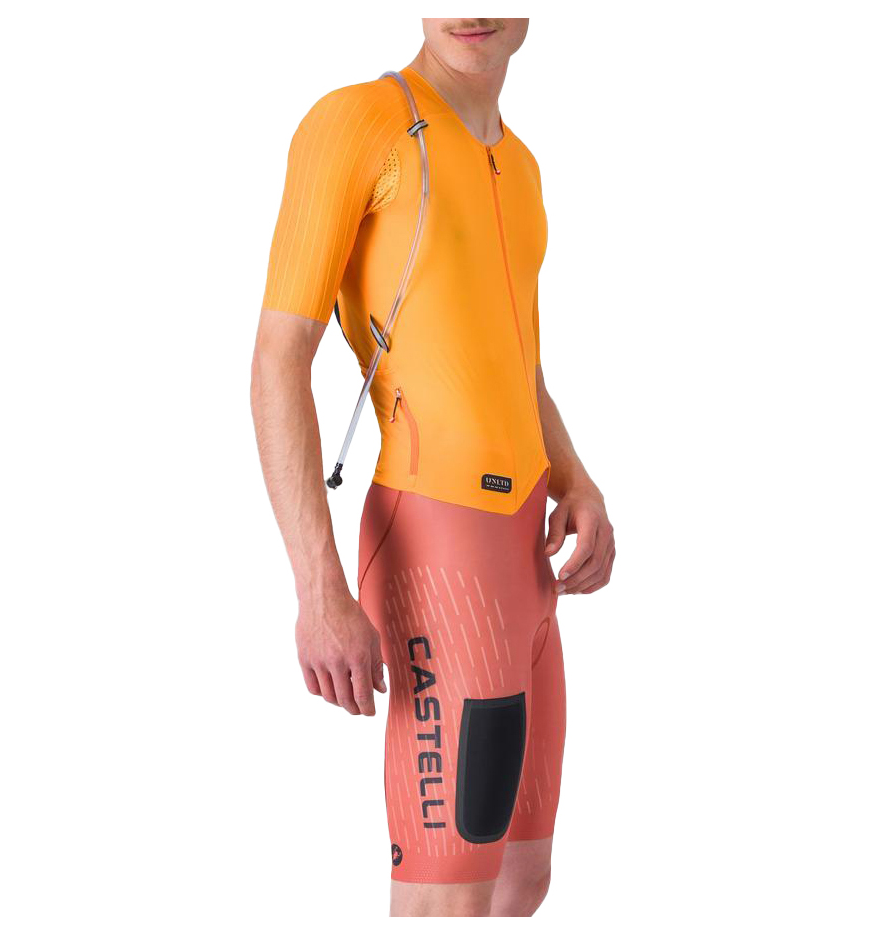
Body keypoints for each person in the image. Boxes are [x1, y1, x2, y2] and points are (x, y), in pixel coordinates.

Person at [251, 18, 615, 917]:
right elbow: (277, 359)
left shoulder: (519, 164)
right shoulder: (358, 124)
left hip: (523, 554)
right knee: (445, 894)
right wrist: (318, 588)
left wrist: (573, 476)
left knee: (520, 878)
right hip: (440, 545)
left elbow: (512, 360)